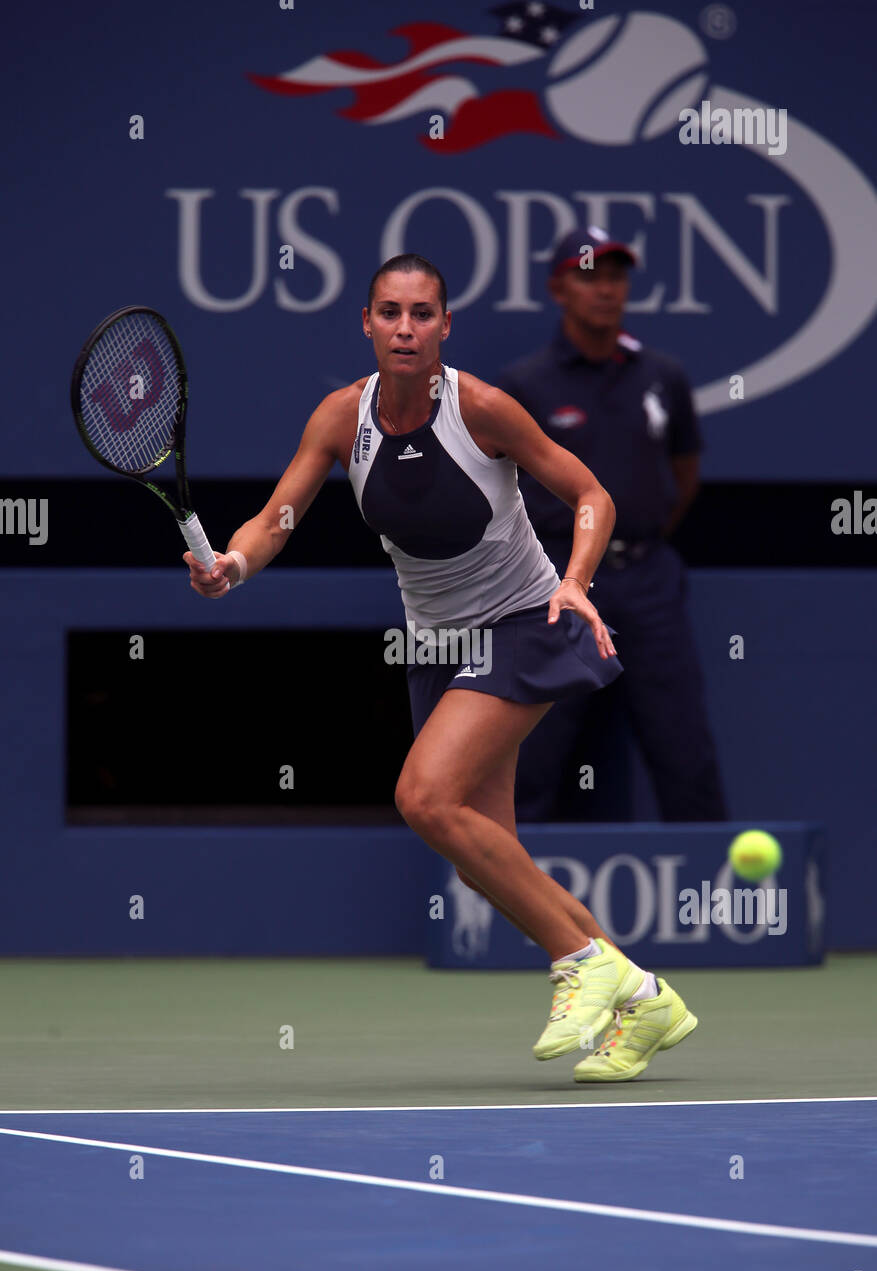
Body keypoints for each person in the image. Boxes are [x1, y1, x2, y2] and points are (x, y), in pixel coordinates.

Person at [183, 252, 698, 1082]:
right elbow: (278, 517)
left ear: (444, 327)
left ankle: (579, 960)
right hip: (437, 644)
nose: (405, 328)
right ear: (366, 323)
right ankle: (642, 998)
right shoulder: (338, 418)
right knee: (482, 848)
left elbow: (590, 494)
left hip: (528, 622)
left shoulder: (484, 409)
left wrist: (573, 581)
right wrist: (232, 567)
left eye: (422, 314)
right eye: (389, 312)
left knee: (422, 797)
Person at [496, 226, 729, 824]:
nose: (607, 290)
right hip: (554, 584)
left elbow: (683, 477)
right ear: (558, 289)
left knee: (683, 747)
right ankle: (511, 900)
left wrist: (633, 544)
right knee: (536, 753)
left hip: (648, 577)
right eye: (590, 276)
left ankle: (707, 896)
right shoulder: (527, 384)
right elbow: (502, 492)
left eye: (617, 277)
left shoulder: (663, 376)